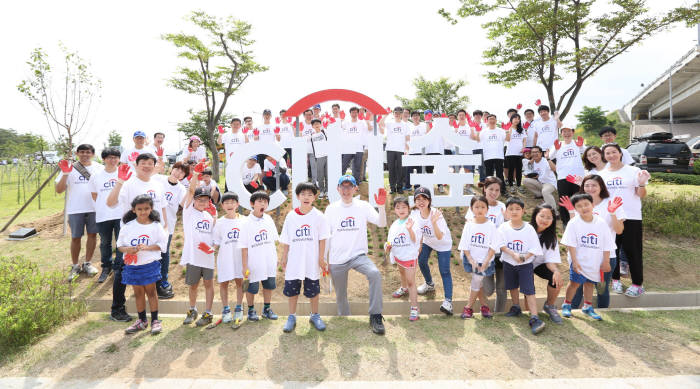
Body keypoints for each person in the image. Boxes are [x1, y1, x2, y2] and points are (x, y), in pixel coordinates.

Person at [325, 175, 387, 334]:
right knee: (341, 295)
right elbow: (326, 236)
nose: (346, 190)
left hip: (358, 256)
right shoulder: (331, 209)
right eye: (343, 187)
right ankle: (345, 317)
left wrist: (381, 207)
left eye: (349, 186)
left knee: (374, 274)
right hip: (337, 259)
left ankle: (375, 316)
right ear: (338, 189)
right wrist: (324, 260)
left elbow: (382, 223)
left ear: (355, 189)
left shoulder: (363, 206)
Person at [564, 175, 625, 309]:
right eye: (587, 185)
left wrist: (613, 213)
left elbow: (619, 230)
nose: (590, 188)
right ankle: (572, 311)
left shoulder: (611, 203)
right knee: (577, 286)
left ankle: (603, 312)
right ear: (582, 187)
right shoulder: (580, 203)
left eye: (594, 185)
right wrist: (570, 211)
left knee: (602, 288)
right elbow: (574, 228)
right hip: (582, 255)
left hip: (605, 257)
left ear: (601, 186)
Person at [599, 143, 650, 298]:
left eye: (614, 152)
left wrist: (641, 183)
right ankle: (615, 280)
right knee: (611, 250)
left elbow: (641, 194)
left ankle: (637, 284)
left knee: (632, 250)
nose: (611, 155)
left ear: (620, 153)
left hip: (631, 216)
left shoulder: (633, 171)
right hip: (610, 217)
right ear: (604, 156)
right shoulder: (602, 174)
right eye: (607, 153)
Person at [279, 182, 330, 332]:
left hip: (311, 260)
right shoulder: (291, 216)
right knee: (292, 289)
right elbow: (287, 240)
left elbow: (323, 239)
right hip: (295, 260)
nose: (306, 197)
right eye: (303, 194)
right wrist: (284, 257)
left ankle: (315, 315)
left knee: (313, 289)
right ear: (297, 196)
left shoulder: (319, 216)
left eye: (310, 194)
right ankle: (291, 316)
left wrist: (321, 258)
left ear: (315, 197)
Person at [117, 195, 168, 335]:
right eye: (140, 209)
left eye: (146, 208)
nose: (143, 212)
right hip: (132, 266)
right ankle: (142, 321)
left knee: (151, 292)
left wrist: (147, 247)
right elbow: (120, 246)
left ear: (151, 209)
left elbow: (162, 246)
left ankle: (155, 321)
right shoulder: (128, 227)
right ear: (134, 210)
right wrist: (129, 250)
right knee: (138, 293)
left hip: (149, 265)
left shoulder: (156, 226)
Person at [560, 193, 615, 320]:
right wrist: (574, 262)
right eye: (579, 206)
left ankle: (587, 307)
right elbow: (571, 244)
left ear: (593, 205)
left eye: (586, 204)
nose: (584, 208)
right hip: (579, 260)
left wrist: (606, 261)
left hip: (595, 260)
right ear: (575, 208)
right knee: (574, 283)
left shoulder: (601, 223)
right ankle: (566, 305)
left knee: (589, 284)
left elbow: (607, 244)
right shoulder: (573, 223)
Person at [56, 144, 103, 281]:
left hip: (94, 208)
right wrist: (65, 173)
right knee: (76, 237)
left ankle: (88, 263)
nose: (84, 154)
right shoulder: (70, 168)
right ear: (77, 153)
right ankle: (75, 265)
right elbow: (59, 190)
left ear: (93, 154)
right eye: (81, 152)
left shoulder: (99, 168)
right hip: (76, 208)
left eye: (88, 152)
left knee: (93, 235)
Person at [499, 197, 546, 334]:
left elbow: (534, 247)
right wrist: (512, 254)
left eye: (517, 209)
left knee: (529, 290)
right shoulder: (503, 227)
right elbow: (500, 244)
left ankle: (534, 317)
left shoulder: (529, 228)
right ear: (506, 212)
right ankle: (515, 307)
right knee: (512, 286)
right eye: (511, 209)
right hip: (509, 262)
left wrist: (525, 256)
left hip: (525, 264)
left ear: (523, 211)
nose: (514, 212)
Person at [466, 177, 507, 312]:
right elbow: (470, 225)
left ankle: (499, 314)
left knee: (502, 287)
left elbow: (506, 228)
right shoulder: (477, 204)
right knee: (488, 290)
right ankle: (484, 304)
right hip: (483, 254)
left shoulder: (502, 207)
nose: (494, 193)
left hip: (500, 252)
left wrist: (506, 219)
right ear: (484, 189)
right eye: (491, 189)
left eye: (497, 190)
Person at [180, 177, 218, 327]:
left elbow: (215, 236)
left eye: (205, 200)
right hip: (193, 256)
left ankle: (208, 313)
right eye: (199, 199)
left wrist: (212, 248)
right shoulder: (188, 212)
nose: (202, 202)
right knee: (193, 285)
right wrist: (195, 174)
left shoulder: (209, 216)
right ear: (194, 200)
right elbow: (190, 190)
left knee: (209, 284)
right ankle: (192, 310)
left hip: (207, 256)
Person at [239, 191, 279, 322]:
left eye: (265, 202)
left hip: (268, 260)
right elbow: (244, 247)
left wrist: (275, 258)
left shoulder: (268, 219)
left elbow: (273, 240)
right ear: (252, 204)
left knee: (268, 286)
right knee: (252, 288)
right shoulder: (245, 223)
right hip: (253, 262)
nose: (263, 204)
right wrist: (244, 266)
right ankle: (251, 310)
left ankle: (267, 309)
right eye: (260, 201)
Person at [413, 187, 454, 315]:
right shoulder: (415, 214)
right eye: (418, 199)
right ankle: (429, 284)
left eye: (424, 198)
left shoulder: (436, 214)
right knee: (422, 260)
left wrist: (434, 222)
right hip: (428, 241)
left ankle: (448, 302)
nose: (421, 201)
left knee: (444, 271)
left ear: (429, 200)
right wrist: (419, 245)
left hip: (443, 244)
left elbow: (440, 236)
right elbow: (418, 231)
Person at [457, 195, 500, 319]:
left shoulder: (491, 226)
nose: (480, 209)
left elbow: (493, 246)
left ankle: (468, 308)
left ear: (487, 209)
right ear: (471, 209)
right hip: (471, 259)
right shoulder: (469, 224)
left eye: (483, 207)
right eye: (476, 207)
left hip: (485, 261)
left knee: (476, 281)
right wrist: (471, 260)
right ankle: (484, 306)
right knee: (478, 282)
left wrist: (486, 261)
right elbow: (464, 244)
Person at [152, 162, 190, 299]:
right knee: (150, 252)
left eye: (181, 172)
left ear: (183, 176)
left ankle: (163, 281)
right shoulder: (158, 179)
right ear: (171, 169)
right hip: (150, 223)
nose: (177, 173)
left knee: (164, 253)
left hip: (168, 225)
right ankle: (150, 281)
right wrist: (159, 162)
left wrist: (192, 188)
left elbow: (183, 204)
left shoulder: (181, 189)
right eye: (176, 169)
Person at [211, 192, 246, 327]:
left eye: (232, 202)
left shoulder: (244, 220)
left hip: (240, 258)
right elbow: (216, 241)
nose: (230, 205)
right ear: (222, 205)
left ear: (237, 204)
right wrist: (211, 249)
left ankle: (239, 308)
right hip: (225, 257)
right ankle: (225, 310)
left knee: (239, 282)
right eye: (226, 203)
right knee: (224, 284)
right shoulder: (219, 222)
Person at [386, 196, 422, 321]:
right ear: (394, 210)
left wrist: (410, 229)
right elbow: (390, 240)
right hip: (399, 255)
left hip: (409, 256)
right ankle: (403, 288)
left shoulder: (412, 221)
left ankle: (414, 308)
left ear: (408, 208)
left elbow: (415, 239)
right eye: (398, 207)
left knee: (411, 282)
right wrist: (388, 246)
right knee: (402, 274)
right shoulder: (395, 224)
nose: (401, 210)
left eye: (404, 207)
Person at [89, 147, 122, 283]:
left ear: (119, 159)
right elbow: (94, 195)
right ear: (104, 159)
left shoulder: (124, 174)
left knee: (121, 242)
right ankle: (106, 267)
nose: (112, 160)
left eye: (115, 157)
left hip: (121, 214)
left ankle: (118, 268)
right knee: (105, 243)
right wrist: (105, 205)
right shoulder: (96, 175)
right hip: (103, 214)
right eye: (109, 157)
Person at [529, 204, 564, 324]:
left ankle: (549, 306)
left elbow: (550, 260)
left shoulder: (551, 237)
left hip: (538, 264)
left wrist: (556, 271)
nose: (544, 220)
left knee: (556, 279)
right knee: (528, 284)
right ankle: (527, 311)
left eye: (549, 217)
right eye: (542, 216)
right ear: (535, 216)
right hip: (522, 264)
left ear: (553, 220)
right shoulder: (525, 229)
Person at [548, 127, 585, 226]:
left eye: (569, 131)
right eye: (564, 132)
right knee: (564, 199)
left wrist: (581, 146)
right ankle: (565, 222)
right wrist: (555, 149)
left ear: (573, 132)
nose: (567, 133)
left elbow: (585, 152)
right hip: (563, 176)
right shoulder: (558, 144)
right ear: (561, 134)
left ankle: (579, 220)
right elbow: (550, 157)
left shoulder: (577, 143)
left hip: (577, 176)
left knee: (578, 198)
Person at [380, 107, 410, 194]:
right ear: (393, 114)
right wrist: (386, 114)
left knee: (400, 169)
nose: (397, 114)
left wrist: (407, 148)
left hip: (401, 150)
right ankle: (392, 188)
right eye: (396, 113)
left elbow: (407, 138)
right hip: (390, 149)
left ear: (401, 114)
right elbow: (380, 123)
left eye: (399, 113)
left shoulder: (405, 125)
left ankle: (399, 187)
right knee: (391, 169)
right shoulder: (390, 123)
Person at [475, 114, 508, 194]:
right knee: (489, 174)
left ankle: (502, 190)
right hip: (488, 156)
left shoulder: (501, 130)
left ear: (496, 121)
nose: (492, 121)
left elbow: (507, 139)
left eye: (493, 119)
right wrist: (477, 131)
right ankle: (487, 191)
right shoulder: (483, 131)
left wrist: (507, 130)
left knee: (500, 174)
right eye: (490, 119)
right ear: (487, 121)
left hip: (498, 155)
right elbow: (478, 140)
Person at [217, 117, 248, 191]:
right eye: (234, 124)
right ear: (231, 125)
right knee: (229, 178)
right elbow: (219, 142)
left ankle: (239, 194)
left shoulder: (242, 134)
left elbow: (247, 143)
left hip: (240, 161)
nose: (236, 126)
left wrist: (246, 134)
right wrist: (220, 134)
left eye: (238, 124)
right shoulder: (227, 135)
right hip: (230, 161)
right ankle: (227, 194)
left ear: (240, 125)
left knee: (239, 178)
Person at [340, 107, 367, 183]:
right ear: (350, 114)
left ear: (358, 113)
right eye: (352, 112)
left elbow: (366, 132)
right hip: (348, 148)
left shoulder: (361, 123)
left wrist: (363, 145)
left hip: (358, 148)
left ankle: (356, 183)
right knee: (344, 166)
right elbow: (339, 129)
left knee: (357, 167)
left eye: (355, 112)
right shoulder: (346, 123)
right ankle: (340, 182)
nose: (354, 114)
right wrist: (341, 119)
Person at [504, 114, 527, 194]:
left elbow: (524, 140)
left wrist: (523, 148)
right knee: (511, 170)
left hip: (519, 153)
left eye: (518, 118)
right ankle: (511, 186)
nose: (516, 120)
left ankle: (519, 185)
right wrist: (507, 131)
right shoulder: (509, 129)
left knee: (519, 170)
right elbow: (507, 139)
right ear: (511, 120)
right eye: (515, 118)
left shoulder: (522, 129)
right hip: (510, 153)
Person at [404, 110, 426, 190]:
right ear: (411, 117)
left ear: (419, 117)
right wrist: (407, 149)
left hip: (421, 151)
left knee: (419, 170)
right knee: (409, 170)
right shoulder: (409, 126)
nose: (415, 117)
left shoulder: (423, 125)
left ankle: (418, 186)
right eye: (414, 116)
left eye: (417, 115)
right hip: (411, 151)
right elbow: (406, 138)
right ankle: (408, 186)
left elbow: (428, 133)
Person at [309, 119, 329, 196]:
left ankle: (327, 190)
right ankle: (321, 191)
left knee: (327, 175)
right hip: (318, 157)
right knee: (320, 175)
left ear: (320, 124)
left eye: (318, 123)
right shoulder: (311, 136)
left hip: (327, 156)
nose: (316, 125)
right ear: (312, 126)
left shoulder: (324, 132)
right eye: (314, 124)